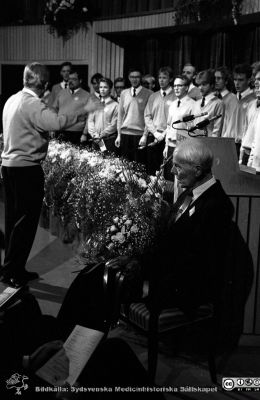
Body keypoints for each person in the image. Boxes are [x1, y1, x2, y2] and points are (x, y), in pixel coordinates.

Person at [0, 62, 88, 288]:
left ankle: (12, 267)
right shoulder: (31, 103)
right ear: (45, 84)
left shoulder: (12, 99)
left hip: (9, 167)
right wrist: (79, 115)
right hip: (26, 169)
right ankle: (12, 272)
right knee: (25, 224)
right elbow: (55, 122)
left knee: (13, 221)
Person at [139, 66, 176, 175]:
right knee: (151, 170)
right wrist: (154, 133)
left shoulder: (175, 96)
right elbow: (147, 116)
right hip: (153, 137)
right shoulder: (153, 96)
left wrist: (163, 134)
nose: (161, 80)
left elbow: (174, 120)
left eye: (164, 77)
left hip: (167, 138)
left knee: (165, 171)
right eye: (159, 77)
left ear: (170, 79)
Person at [115, 68, 152, 164]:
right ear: (128, 78)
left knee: (139, 165)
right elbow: (120, 115)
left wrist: (145, 135)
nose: (134, 79)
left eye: (137, 77)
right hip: (125, 135)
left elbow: (149, 117)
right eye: (132, 77)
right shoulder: (124, 93)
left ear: (141, 78)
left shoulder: (149, 94)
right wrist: (119, 135)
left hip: (140, 135)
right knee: (125, 166)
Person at [163, 74, 195, 180]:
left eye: (179, 86)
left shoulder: (193, 105)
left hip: (182, 147)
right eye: (175, 86)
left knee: (179, 179)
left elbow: (192, 130)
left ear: (186, 87)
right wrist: (166, 145)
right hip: (171, 145)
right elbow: (168, 126)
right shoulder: (172, 104)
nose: (176, 88)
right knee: (168, 178)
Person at [52, 69, 90, 145]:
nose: (70, 81)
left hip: (77, 133)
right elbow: (54, 110)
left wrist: (85, 134)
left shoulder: (87, 96)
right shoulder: (61, 92)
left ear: (80, 80)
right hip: (60, 130)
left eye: (74, 79)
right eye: (69, 79)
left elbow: (90, 117)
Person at [83, 78, 118, 153]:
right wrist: (95, 135)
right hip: (96, 140)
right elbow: (90, 121)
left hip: (109, 140)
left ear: (110, 89)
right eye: (101, 87)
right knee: (95, 162)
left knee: (108, 162)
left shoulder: (115, 105)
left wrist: (101, 135)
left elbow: (114, 125)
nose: (102, 89)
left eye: (105, 87)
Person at [228, 64, 255, 156]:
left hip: (244, 146)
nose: (237, 83)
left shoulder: (254, 99)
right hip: (229, 144)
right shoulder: (231, 98)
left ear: (249, 80)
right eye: (235, 80)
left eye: (241, 80)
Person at [192, 69, 224, 137]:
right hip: (195, 143)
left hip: (208, 144)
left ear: (212, 85)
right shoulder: (196, 103)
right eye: (199, 85)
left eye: (204, 84)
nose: (200, 88)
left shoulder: (218, 103)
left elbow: (217, 130)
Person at [239, 67, 260, 165]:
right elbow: (245, 130)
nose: (256, 82)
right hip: (246, 154)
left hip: (257, 157)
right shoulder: (251, 104)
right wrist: (241, 155)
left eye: (259, 79)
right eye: (255, 79)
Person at [215, 66, 238, 137]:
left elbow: (231, 124)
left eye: (219, 78)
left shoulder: (232, 99)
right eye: (215, 78)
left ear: (226, 81)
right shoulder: (214, 98)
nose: (216, 81)